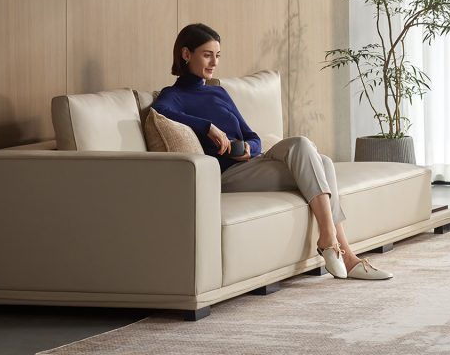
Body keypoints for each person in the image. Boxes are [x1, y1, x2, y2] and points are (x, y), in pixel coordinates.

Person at [152, 23, 391, 280]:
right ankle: (340, 249)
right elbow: (162, 112)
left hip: (250, 163)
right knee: (310, 153)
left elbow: (253, 137)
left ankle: (338, 248)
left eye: (217, 55)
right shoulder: (173, 95)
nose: (214, 63)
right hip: (227, 176)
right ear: (186, 54)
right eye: (207, 54)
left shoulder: (218, 92)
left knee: (320, 159)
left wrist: (245, 149)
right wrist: (208, 127)